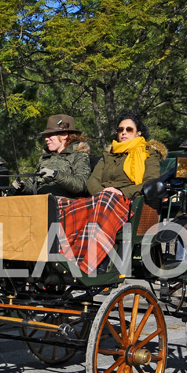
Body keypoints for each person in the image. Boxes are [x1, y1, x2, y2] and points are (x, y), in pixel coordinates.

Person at [58, 110, 165, 275]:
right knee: (62, 205)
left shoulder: (148, 154)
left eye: (129, 129)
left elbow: (150, 182)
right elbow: (92, 180)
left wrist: (119, 192)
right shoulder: (109, 154)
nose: (123, 133)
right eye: (120, 129)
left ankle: (91, 265)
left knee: (106, 200)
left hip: (131, 202)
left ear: (138, 132)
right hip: (102, 199)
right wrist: (102, 193)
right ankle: (62, 261)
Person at [12, 114, 92, 198]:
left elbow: (80, 185)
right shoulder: (45, 157)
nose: (46, 139)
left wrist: (55, 175)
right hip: (39, 202)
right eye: (47, 136)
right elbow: (34, 183)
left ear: (64, 135)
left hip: (64, 204)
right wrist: (22, 186)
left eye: (50, 135)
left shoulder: (79, 155)